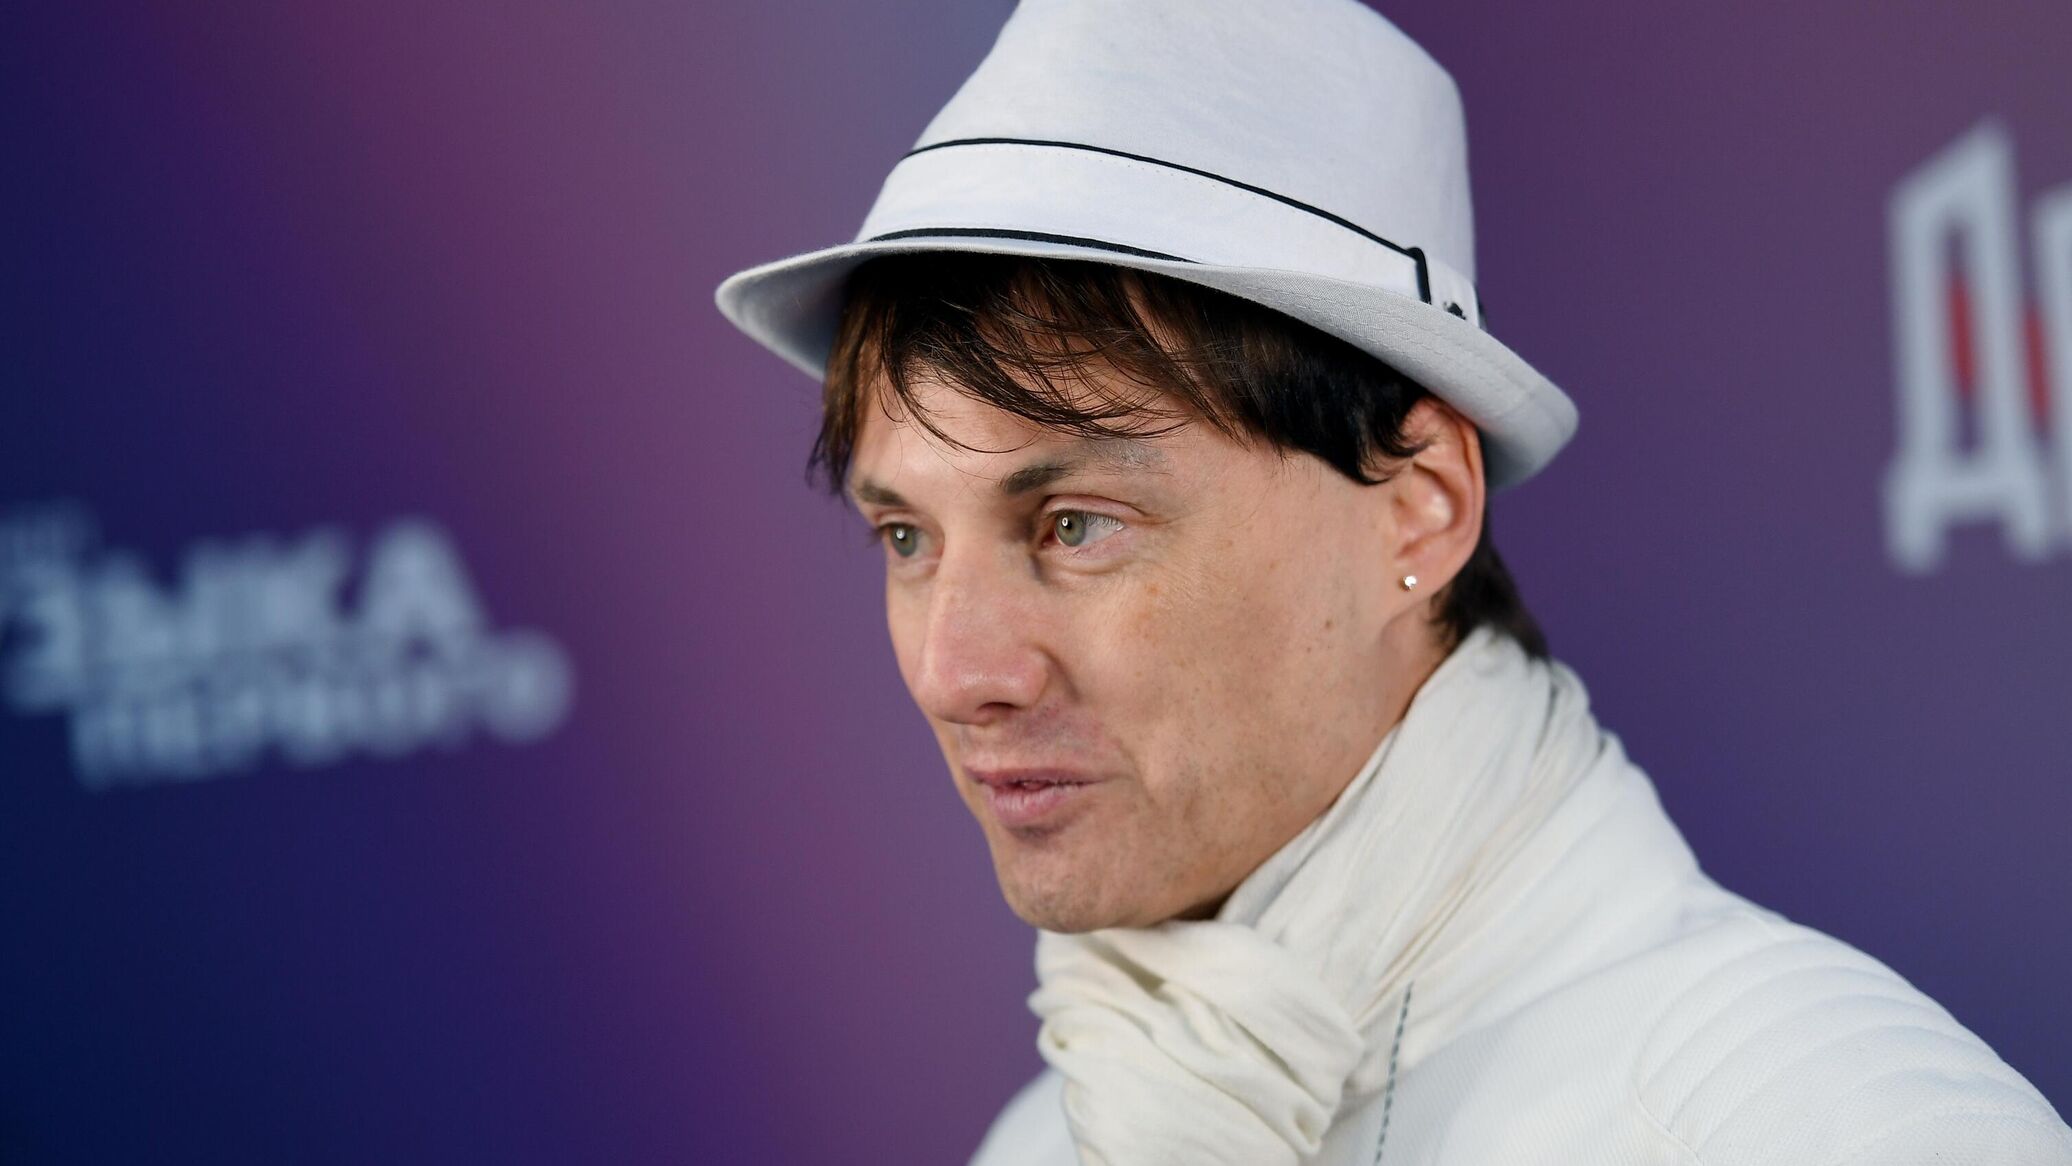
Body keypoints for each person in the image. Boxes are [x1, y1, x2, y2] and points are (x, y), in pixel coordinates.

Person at [713, 1, 2072, 1162]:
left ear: (1420, 505)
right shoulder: (1054, 1138)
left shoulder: (1812, 1122)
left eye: (1075, 525)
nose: (957, 671)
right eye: (907, 538)